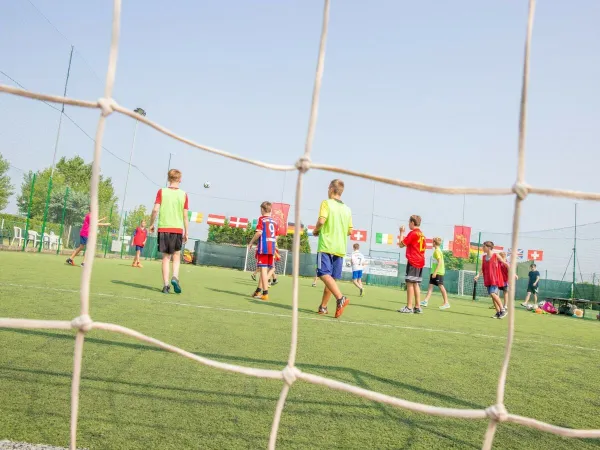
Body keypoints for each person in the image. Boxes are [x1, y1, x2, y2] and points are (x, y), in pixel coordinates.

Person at [313, 179, 352, 318]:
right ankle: (323, 307)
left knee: (323, 273)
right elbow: (350, 231)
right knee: (331, 279)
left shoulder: (326, 203)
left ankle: (340, 298)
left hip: (326, 245)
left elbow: (322, 220)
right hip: (340, 248)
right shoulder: (347, 209)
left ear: (330, 188)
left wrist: (316, 230)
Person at [149, 169, 189, 294]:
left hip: (164, 228)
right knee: (176, 256)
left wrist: (151, 224)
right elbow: (185, 216)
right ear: (180, 179)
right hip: (177, 229)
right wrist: (186, 232)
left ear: (168, 179)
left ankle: (166, 285)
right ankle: (175, 277)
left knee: (166, 258)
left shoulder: (162, 192)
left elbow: (155, 210)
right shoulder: (183, 194)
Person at [248, 201, 278, 301]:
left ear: (262, 209)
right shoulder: (274, 221)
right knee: (263, 270)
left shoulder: (262, 219)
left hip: (264, 247)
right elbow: (276, 236)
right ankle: (258, 291)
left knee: (263, 270)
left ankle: (265, 293)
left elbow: (259, 232)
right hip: (271, 248)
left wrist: (251, 242)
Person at [398, 215, 426, 314]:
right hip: (420, 261)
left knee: (410, 283)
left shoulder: (413, 233)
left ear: (413, 223)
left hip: (413, 261)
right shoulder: (422, 234)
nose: (408, 224)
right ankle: (417, 307)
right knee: (416, 284)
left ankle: (409, 307)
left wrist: (401, 232)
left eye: (409, 222)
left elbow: (401, 244)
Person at [474, 241, 507, 319]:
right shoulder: (484, 257)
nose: (483, 248)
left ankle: (503, 310)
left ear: (488, 247)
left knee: (493, 293)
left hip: (495, 279)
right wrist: (478, 275)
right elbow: (483, 268)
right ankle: (498, 312)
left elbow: (504, 263)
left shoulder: (496, 255)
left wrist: (513, 273)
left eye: (484, 246)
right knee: (492, 296)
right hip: (487, 279)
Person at [420, 237, 450, 309]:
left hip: (438, 272)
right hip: (434, 272)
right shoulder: (437, 250)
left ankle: (446, 303)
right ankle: (425, 301)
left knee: (441, 286)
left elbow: (440, 262)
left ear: (434, 243)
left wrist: (435, 272)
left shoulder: (437, 251)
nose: (431, 243)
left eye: (432, 242)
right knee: (430, 287)